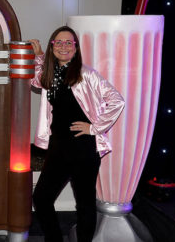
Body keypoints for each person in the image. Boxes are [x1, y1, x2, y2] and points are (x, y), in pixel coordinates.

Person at [29, 26, 124, 242]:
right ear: (53, 47)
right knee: (42, 198)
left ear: (76, 48)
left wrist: (94, 127)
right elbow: (35, 81)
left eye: (69, 43)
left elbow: (117, 100)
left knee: (84, 203)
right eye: (59, 42)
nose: (64, 46)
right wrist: (39, 57)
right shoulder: (50, 75)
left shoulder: (86, 74)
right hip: (58, 148)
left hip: (83, 149)